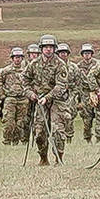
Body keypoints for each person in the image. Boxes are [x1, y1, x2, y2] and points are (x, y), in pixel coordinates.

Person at [23, 36, 67, 164]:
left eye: (51, 47)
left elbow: (61, 85)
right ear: (41, 49)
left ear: (54, 49)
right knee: (40, 131)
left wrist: (47, 97)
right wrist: (30, 93)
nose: (48, 50)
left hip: (57, 101)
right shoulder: (34, 64)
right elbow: (25, 80)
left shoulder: (60, 64)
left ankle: (59, 158)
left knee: (58, 130)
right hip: (39, 100)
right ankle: (43, 158)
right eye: (46, 47)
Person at [0, 47, 28, 145]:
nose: (17, 59)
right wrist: (1, 95)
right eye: (15, 57)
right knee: (8, 122)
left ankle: (16, 141)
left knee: (21, 122)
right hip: (10, 99)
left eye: (19, 57)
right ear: (12, 58)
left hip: (23, 99)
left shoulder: (26, 70)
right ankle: (7, 141)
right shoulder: (6, 70)